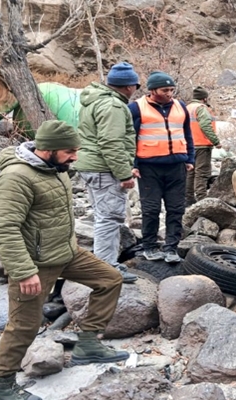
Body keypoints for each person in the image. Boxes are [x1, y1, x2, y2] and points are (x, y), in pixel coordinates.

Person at [0, 121, 129, 400]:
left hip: (66, 253)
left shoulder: (56, 168)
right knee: (24, 325)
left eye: (76, 149)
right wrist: (25, 271)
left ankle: (88, 346)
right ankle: (0, 387)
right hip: (35, 263)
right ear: (47, 148)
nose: (75, 156)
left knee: (110, 279)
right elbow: (3, 228)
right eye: (69, 151)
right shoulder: (17, 177)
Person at [75, 62, 140, 283]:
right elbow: (111, 143)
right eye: (135, 85)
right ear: (129, 86)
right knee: (109, 218)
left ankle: (101, 263)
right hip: (103, 169)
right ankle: (106, 268)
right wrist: (124, 174)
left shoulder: (94, 99)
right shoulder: (112, 105)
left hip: (92, 166)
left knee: (103, 217)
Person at [128, 71, 195, 263]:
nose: (169, 93)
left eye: (172, 89)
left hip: (177, 166)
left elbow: (187, 134)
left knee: (176, 208)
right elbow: (129, 138)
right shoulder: (136, 108)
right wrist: (132, 164)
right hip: (149, 168)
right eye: (165, 90)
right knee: (151, 209)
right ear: (152, 90)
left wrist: (190, 159)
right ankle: (149, 246)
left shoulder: (180, 106)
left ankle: (171, 247)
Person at [185, 86, 221, 205]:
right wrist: (215, 141)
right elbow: (205, 125)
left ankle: (188, 198)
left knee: (190, 172)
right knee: (202, 172)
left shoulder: (187, 107)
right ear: (204, 98)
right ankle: (201, 198)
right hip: (202, 145)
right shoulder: (201, 108)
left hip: (188, 145)